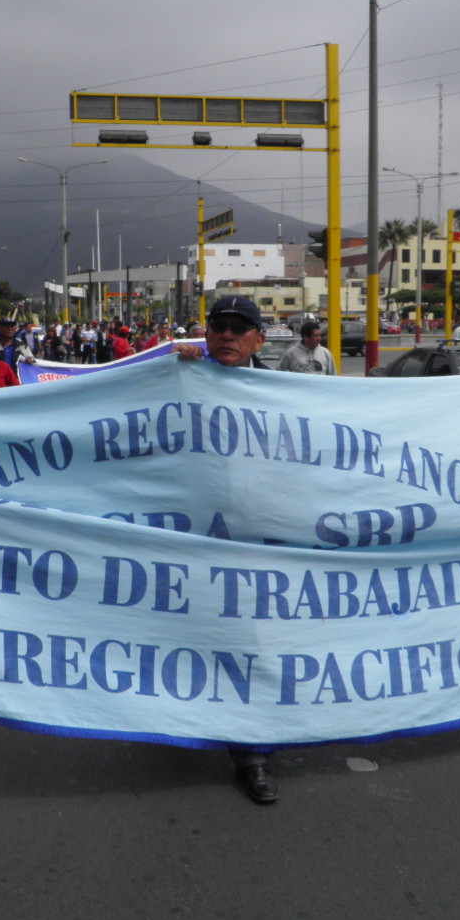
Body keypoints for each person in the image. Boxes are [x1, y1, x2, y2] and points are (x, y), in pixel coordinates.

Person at [172, 296, 283, 804]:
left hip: (258, 543)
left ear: (260, 340)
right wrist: (167, 365)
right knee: (185, 633)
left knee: (250, 643)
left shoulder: (287, 393)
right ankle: (173, 721)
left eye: (242, 329)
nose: (228, 336)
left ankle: (251, 751)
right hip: (189, 539)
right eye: (219, 326)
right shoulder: (179, 373)